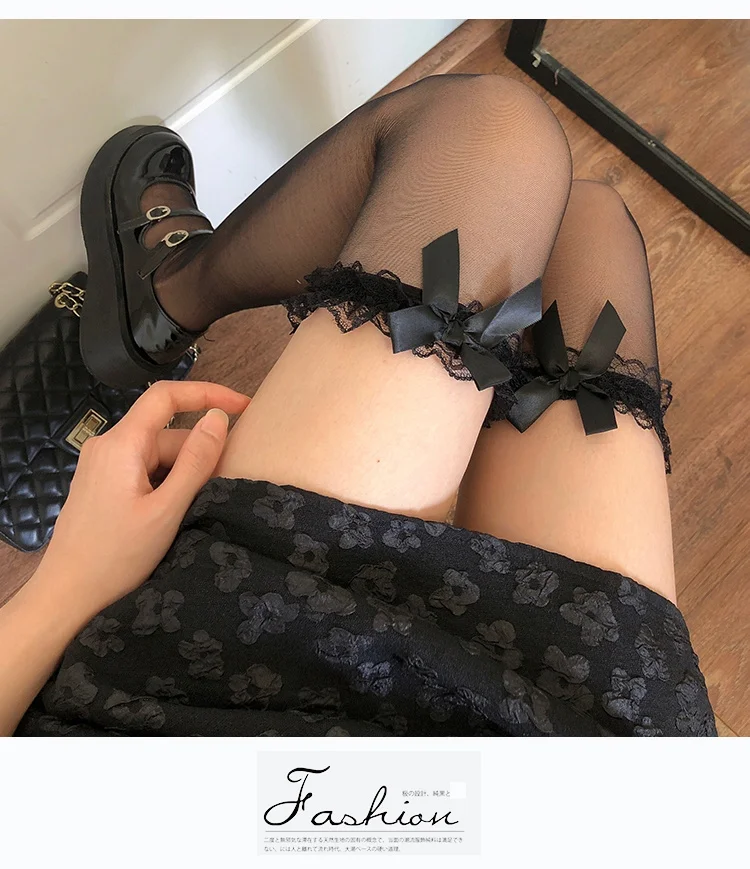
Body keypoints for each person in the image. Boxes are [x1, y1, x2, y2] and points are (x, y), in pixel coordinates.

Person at [1, 74, 714, 736]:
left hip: (269, 679)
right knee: (586, 224)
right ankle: (161, 310)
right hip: (593, 735)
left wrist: (65, 588)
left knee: (490, 130)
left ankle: (169, 295)